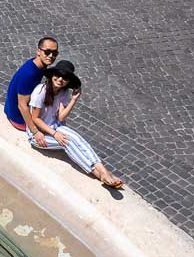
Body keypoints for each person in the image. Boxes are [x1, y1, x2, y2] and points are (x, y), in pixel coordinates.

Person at [26, 60, 124, 188]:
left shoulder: (63, 92)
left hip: (55, 126)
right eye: (58, 75)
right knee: (68, 143)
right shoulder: (41, 91)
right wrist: (54, 134)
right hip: (37, 134)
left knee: (78, 138)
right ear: (52, 75)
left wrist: (73, 100)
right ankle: (98, 175)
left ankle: (104, 171)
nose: (60, 79)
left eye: (65, 78)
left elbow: (61, 117)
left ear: (68, 81)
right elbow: (35, 119)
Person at [4, 37, 59, 150]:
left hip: (11, 109)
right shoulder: (29, 74)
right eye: (47, 52)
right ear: (38, 51)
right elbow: (22, 105)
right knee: (55, 130)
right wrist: (35, 131)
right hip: (18, 119)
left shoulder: (36, 64)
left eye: (55, 53)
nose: (51, 56)